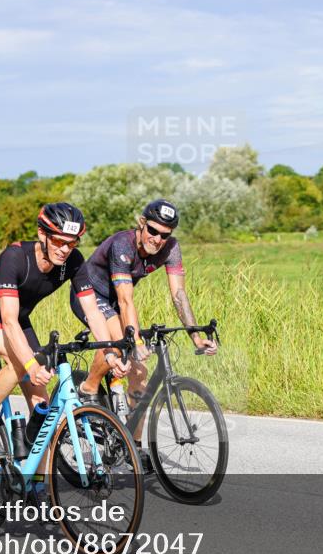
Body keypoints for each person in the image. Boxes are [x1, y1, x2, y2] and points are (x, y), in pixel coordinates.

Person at [0, 202, 129, 458]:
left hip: (19, 318)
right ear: (43, 235)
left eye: (71, 243)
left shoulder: (73, 262)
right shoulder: (15, 256)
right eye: (59, 241)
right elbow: (8, 320)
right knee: (22, 361)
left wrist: (109, 354)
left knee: (42, 410)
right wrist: (30, 364)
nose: (64, 250)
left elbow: (93, 312)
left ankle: (35, 485)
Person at [69, 199, 217, 466]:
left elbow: (179, 294)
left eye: (165, 234)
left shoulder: (171, 249)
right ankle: (87, 388)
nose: (158, 239)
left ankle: (133, 444)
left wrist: (195, 335)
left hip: (115, 300)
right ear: (141, 224)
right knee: (118, 343)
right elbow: (126, 301)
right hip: (91, 295)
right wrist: (135, 341)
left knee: (139, 372)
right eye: (152, 230)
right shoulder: (122, 245)